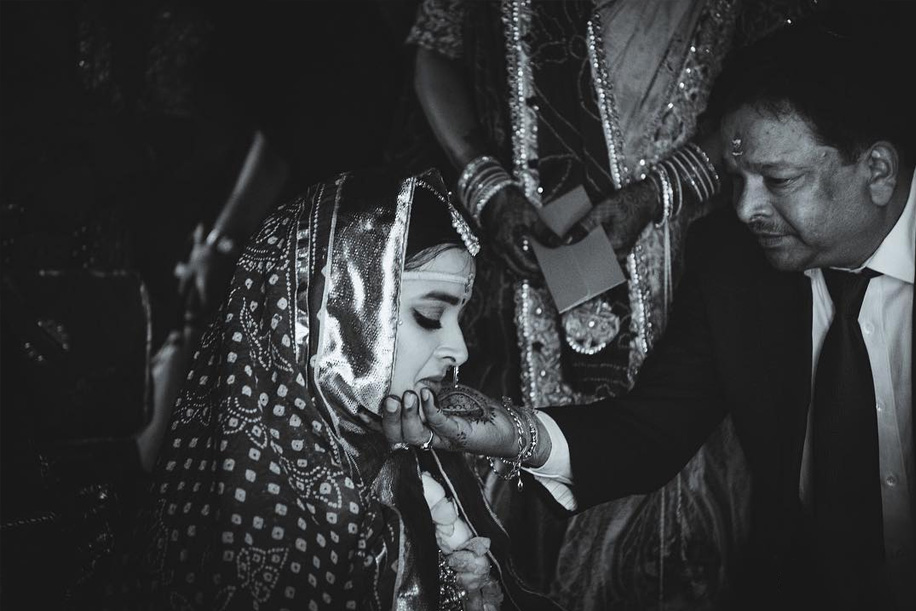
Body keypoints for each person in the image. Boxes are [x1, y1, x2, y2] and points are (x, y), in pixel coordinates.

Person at [383, 11, 915, 611]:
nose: (745, 209)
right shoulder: (735, 268)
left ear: (877, 171)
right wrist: (512, 432)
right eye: (737, 179)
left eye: (778, 179)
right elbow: (650, 433)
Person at [114, 168, 560, 611]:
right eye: (428, 316)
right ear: (338, 319)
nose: (459, 351)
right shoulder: (273, 517)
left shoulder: (425, 458)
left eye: (459, 319)